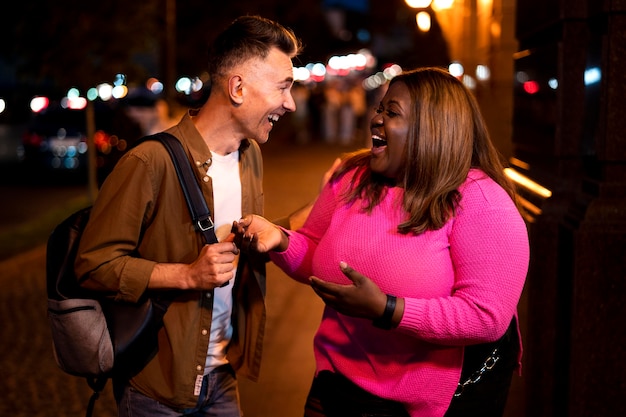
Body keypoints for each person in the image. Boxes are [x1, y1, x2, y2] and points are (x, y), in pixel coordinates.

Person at [234, 67, 530, 417]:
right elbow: (317, 253)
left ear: (431, 130)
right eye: (379, 109)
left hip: (427, 401)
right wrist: (281, 242)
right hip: (339, 378)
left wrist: (388, 309)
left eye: (392, 113)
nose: (376, 120)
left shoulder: (480, 200)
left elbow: (486, 316)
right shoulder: (353, 176)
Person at [74, 15, 301, 417]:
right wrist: (185, 275)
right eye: (283, 87)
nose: (290, 102)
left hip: (222, 377)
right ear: (237, 87)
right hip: (156, 386)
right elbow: (93, 265)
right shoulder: (147, 162)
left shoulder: (252, 156)